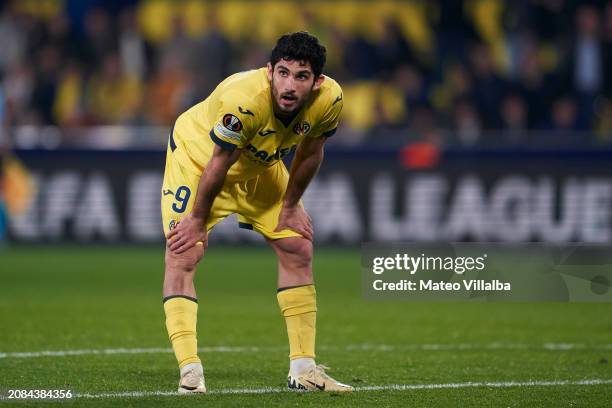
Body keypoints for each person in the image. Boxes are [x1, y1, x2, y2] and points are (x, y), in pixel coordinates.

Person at [161, 31, 352, 393]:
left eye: (301, 76)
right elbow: (218, 163)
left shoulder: (330, 100)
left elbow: (311, 152)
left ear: (318, 82)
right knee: (184, 251)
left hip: (259, 163)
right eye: (283, 72)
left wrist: (291, 206)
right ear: (269, 71)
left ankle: (304, 370)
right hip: (199, 160)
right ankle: (190, 372)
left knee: (297, 246)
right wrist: (198, 221)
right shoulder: (244, 98)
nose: (290, 85)